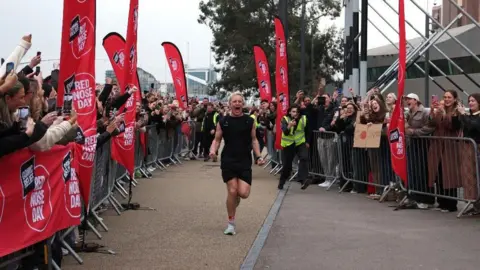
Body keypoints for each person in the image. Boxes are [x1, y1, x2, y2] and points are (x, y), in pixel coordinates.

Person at [209, 92, 265, 236]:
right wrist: (213, 151)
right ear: (230, 104)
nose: (237, 103)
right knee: (232, 191)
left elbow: (254, 140)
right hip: (228, 160)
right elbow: (216, 139)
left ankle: (235, 199)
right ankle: (231, 224)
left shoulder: (249, 121)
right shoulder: (223, 121)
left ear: (243, 104)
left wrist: (258, 156)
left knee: (243, 193)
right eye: (234, 101)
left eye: (240, 101)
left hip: (244, 160)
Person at [278, 104, 310, 190]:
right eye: (293, 111)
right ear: (289, 112)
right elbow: (285, 132)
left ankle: (303, 180)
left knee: (304, 157)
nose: (295, 113)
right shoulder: (285, 119)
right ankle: (282, 182)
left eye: (297, 112)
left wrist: (307, 141)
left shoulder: (304, 118)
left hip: (300, 142)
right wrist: (289, 125)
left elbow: (308, 131)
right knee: (287, 166)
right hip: (289, 144)